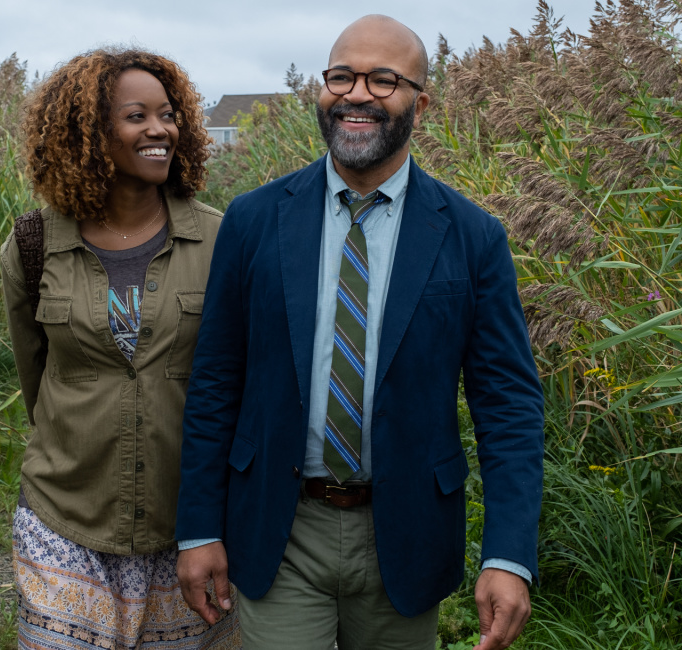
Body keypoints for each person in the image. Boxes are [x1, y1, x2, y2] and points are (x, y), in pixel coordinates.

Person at [174, 14, 545, 650]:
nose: (356, 95)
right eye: (341, 76)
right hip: (280, 527)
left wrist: (507, 556)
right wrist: (198, 528)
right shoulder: (254, 220)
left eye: (383, 80)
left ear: (419, 103)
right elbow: (215, 381)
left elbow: (508, 405)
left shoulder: (471, 236)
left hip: (405, 532)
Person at [0, 48, 241, 649]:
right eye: (137, 116)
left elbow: (242, 380)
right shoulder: (33, 244)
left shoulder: (223, 238)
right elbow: (37, 378)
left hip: (186, 526)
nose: (159, 129)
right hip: (64, 515)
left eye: (168, 115)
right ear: (87, 133)